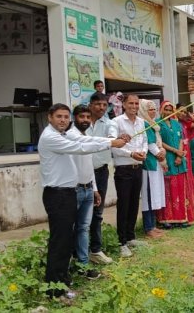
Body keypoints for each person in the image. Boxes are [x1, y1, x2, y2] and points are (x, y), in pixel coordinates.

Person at [37, 103, 126, 298]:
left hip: (68, 193)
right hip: (58, 194)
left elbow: (87, 140)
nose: (63, 120)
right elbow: (80, 147)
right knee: (60, 241)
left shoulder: (63, 134)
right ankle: (54, 289)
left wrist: (112, 139)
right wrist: (111, 144)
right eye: (59, 116)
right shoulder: (51, 137)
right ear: (49, 117)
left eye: (65, 117)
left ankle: (62, 279)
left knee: (66, 239)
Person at [66, 105, 102, 280]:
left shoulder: (86, 137)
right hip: (73, 190)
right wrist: (114, 141)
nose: (86, 120)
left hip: (88, 189)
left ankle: (83, 265)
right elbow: (94, 145)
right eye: (82, 117)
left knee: (83, 229)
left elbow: (89, 166)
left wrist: (94, 189)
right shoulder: (71, 136)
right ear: (75, 117)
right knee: (69, 229)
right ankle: (67, 266)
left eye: (88, 117)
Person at [111, 94, 148, 257]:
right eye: (131, 103)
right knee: (124, 204)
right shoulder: (116, 122)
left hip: (137, 167)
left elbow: (145, 141)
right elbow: (113, 145)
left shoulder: (141, 122)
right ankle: (121, 241)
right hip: (123, 169)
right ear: (123, 104)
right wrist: (131, 153)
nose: (134, 106)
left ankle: (131, 236)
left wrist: (143, 152)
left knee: (134, 203)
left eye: (136, 103)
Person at [87, 92, 118, 265]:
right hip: (81, 174)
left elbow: (112, 136)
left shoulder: (108, 123)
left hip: (100, 172)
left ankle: (96, 250)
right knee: (82, 214)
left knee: (97, 212)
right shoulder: (82, 122)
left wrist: (113, 140)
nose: (101, 108)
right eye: (98, 104)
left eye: (104, 105)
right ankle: (80, 251)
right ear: (91, 104)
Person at [158, 100, 194, 228]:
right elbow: (160, 142)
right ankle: (167, 218)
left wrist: (179, 154)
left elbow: (180, 139)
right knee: (169, 189)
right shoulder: (158, 124)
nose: (168, 112)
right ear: (161, 110)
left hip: (179, 159)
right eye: (166, 110)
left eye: (170, 110)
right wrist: (175, 152)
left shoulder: (176, 124)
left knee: (180, 188)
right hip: (168, 158)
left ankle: (181, 217)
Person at [137, 99, 167, 239]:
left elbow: (157, 142)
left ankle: (153, 225)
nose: (153, 111)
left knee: (155, 195)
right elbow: (149, 143)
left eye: (154, 108)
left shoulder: (153, 124)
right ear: (143, 110)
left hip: (156, 162)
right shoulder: (144, 124)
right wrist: (159, 153)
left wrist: (161, 152)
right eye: (150, 109)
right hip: (148, 164)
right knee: (148, 196)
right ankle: (148, 227)